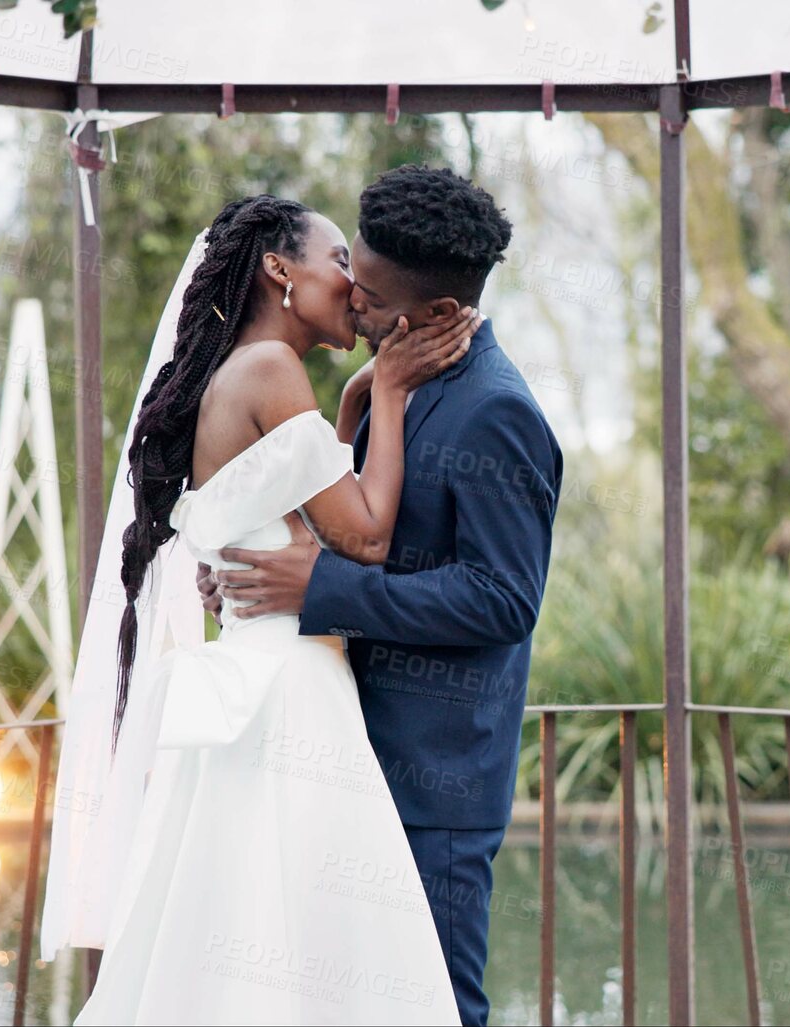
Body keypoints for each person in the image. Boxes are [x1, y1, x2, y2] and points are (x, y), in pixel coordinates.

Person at [40, 190, 481, 1024]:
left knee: (252, 914)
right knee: (318, 930)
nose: (354, 285)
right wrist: (387, 389)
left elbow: (297, 500)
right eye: (338, 261)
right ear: (280, 269)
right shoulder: (273, 370)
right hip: (290, 692)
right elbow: (365, 536)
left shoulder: (240, 375)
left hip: (257, 675)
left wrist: (350, 406)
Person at [201, 166, 563, 1026]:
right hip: (343, 752)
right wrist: (262, 561)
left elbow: (501, 599)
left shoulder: (497, 414)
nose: (348, 300)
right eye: (349, 273)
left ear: (437, 314)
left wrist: (319, 585)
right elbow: (342, 523)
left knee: (436, 1004)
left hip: (433, 786)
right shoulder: (382, 391)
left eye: (367, 293)